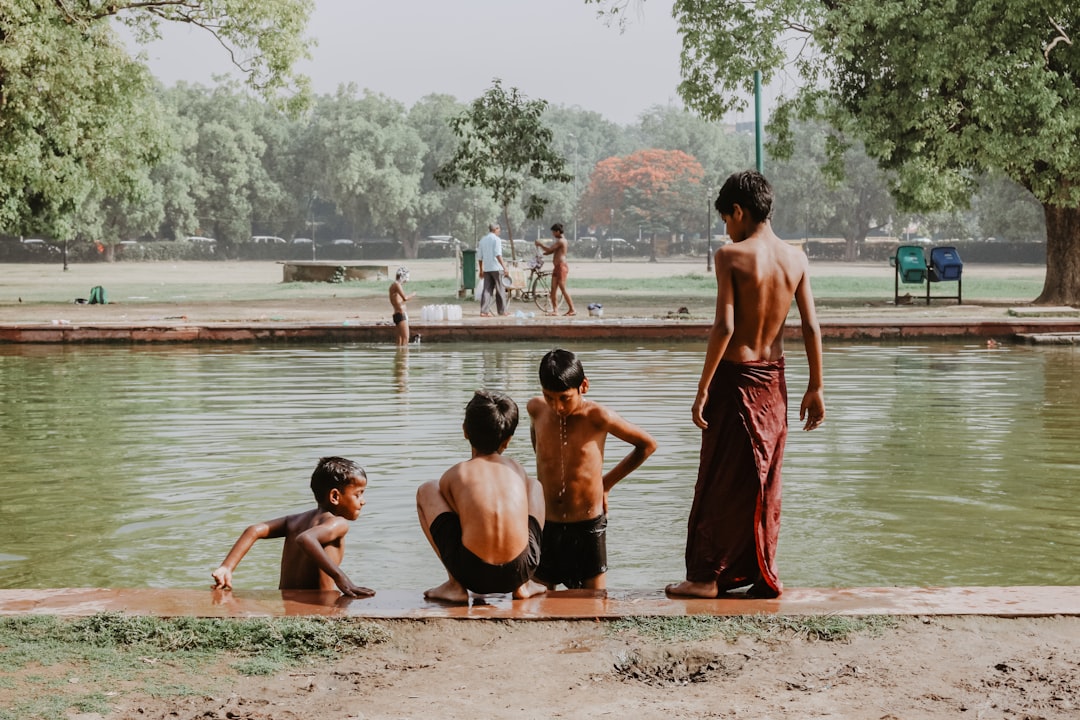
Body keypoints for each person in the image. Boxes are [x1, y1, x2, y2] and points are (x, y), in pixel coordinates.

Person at [666, 170, 825, 600]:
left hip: (735, 380)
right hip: (774, 381)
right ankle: (760, 572)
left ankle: (704, 578)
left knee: (719, 478)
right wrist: (816, 386)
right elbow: (810, 326)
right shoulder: (797, 258)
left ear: (739, 210)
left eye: (726, 219)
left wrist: (702, 387)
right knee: (764, 479)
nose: (726, 229)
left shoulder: (730, 256)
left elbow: (724, 327)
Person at [527, 349, 657, 590]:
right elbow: (539, 448)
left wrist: (605, 485)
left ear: (583, 386)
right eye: (549, 397)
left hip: (587, 525)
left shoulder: (598, 416)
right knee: (538, 599)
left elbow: (647, 445)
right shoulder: (536, 409)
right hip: (547, 523)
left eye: (565, 398)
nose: (557, 407)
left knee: (595, 603)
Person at [417, 390, 547, 602]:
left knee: (427, 490)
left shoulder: (456, 473)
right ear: (508, 440)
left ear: (465, 431)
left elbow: (456, 520)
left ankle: (454, 585)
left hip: (472, 574)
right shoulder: (516, 469)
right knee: (535, 486)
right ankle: (524, 585)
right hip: (519, 570)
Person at [211, 456, 374, 597]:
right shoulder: (337, 523)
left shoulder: (295, 520)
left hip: (286, 605)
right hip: (318, 607)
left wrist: (227, 567)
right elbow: (306, 538)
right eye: (358, 494)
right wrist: (342, 578)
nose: (363, 501)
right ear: (334, 496)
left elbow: (254, 530)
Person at [534, 223, 576, 316]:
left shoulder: (562, 241)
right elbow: (550, 252)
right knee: (553, 289)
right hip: (557, 267)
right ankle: (555, 310)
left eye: (553, 232)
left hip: (562, 266)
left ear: (558, 231)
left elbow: (549, 249)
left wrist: (540, 244)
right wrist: (540, 254)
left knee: (563, 289)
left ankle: (572, 309)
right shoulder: (559, 241)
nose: (552, 234)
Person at [476, 223, 509, 317]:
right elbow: (498, 254)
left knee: (487, 290)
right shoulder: (496, 239)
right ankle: (502, 311)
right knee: (500, 289)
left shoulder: (483, 240)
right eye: (499, 229)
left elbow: (480, 257)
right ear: (496, 229)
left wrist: (481, 269)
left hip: (487, 269)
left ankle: (484, 311)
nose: (499, 231)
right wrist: (504, 267)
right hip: (497, 268)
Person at [388, 266, 416, 346]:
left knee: (399, 340)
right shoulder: (397, 285)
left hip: (397, 314)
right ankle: (404, 356)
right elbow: (405, 298)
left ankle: (399, 356)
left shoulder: (393, 285)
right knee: (405, 338)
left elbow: (399, 300)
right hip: (401, 314)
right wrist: (413, 294)